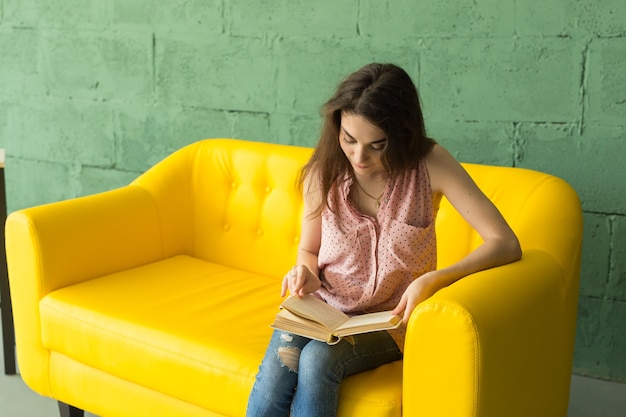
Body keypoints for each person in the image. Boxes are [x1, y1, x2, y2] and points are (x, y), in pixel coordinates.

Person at [246, 63, 522, 417]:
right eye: (349, 139)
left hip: (389, 321)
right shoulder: (323, 170)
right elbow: (309, 250)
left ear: (403, 134)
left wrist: (434, 279)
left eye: (377, 145)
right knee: (272, 383)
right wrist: (305, 272)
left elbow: (505, 242)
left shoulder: (430, 165)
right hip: (321, 308)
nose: (360, 157)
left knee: (317, 359)